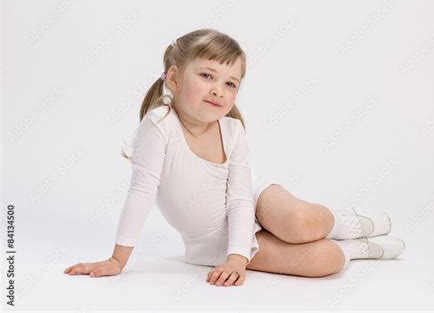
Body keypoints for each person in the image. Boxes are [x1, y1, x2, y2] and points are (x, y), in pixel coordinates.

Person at [64, 28, 405, 287]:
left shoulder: (232, 130)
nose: (219, 90)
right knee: (326, 259)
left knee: (303, 223)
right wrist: (116, 260)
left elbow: (242, 198)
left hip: (251, 202)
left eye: (231, 83)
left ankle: (347, 223)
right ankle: (359, 248)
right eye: (207, 76)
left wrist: (240, 260)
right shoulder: (159, 127)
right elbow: (141, 193)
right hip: (213, 241)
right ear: (174, 77)